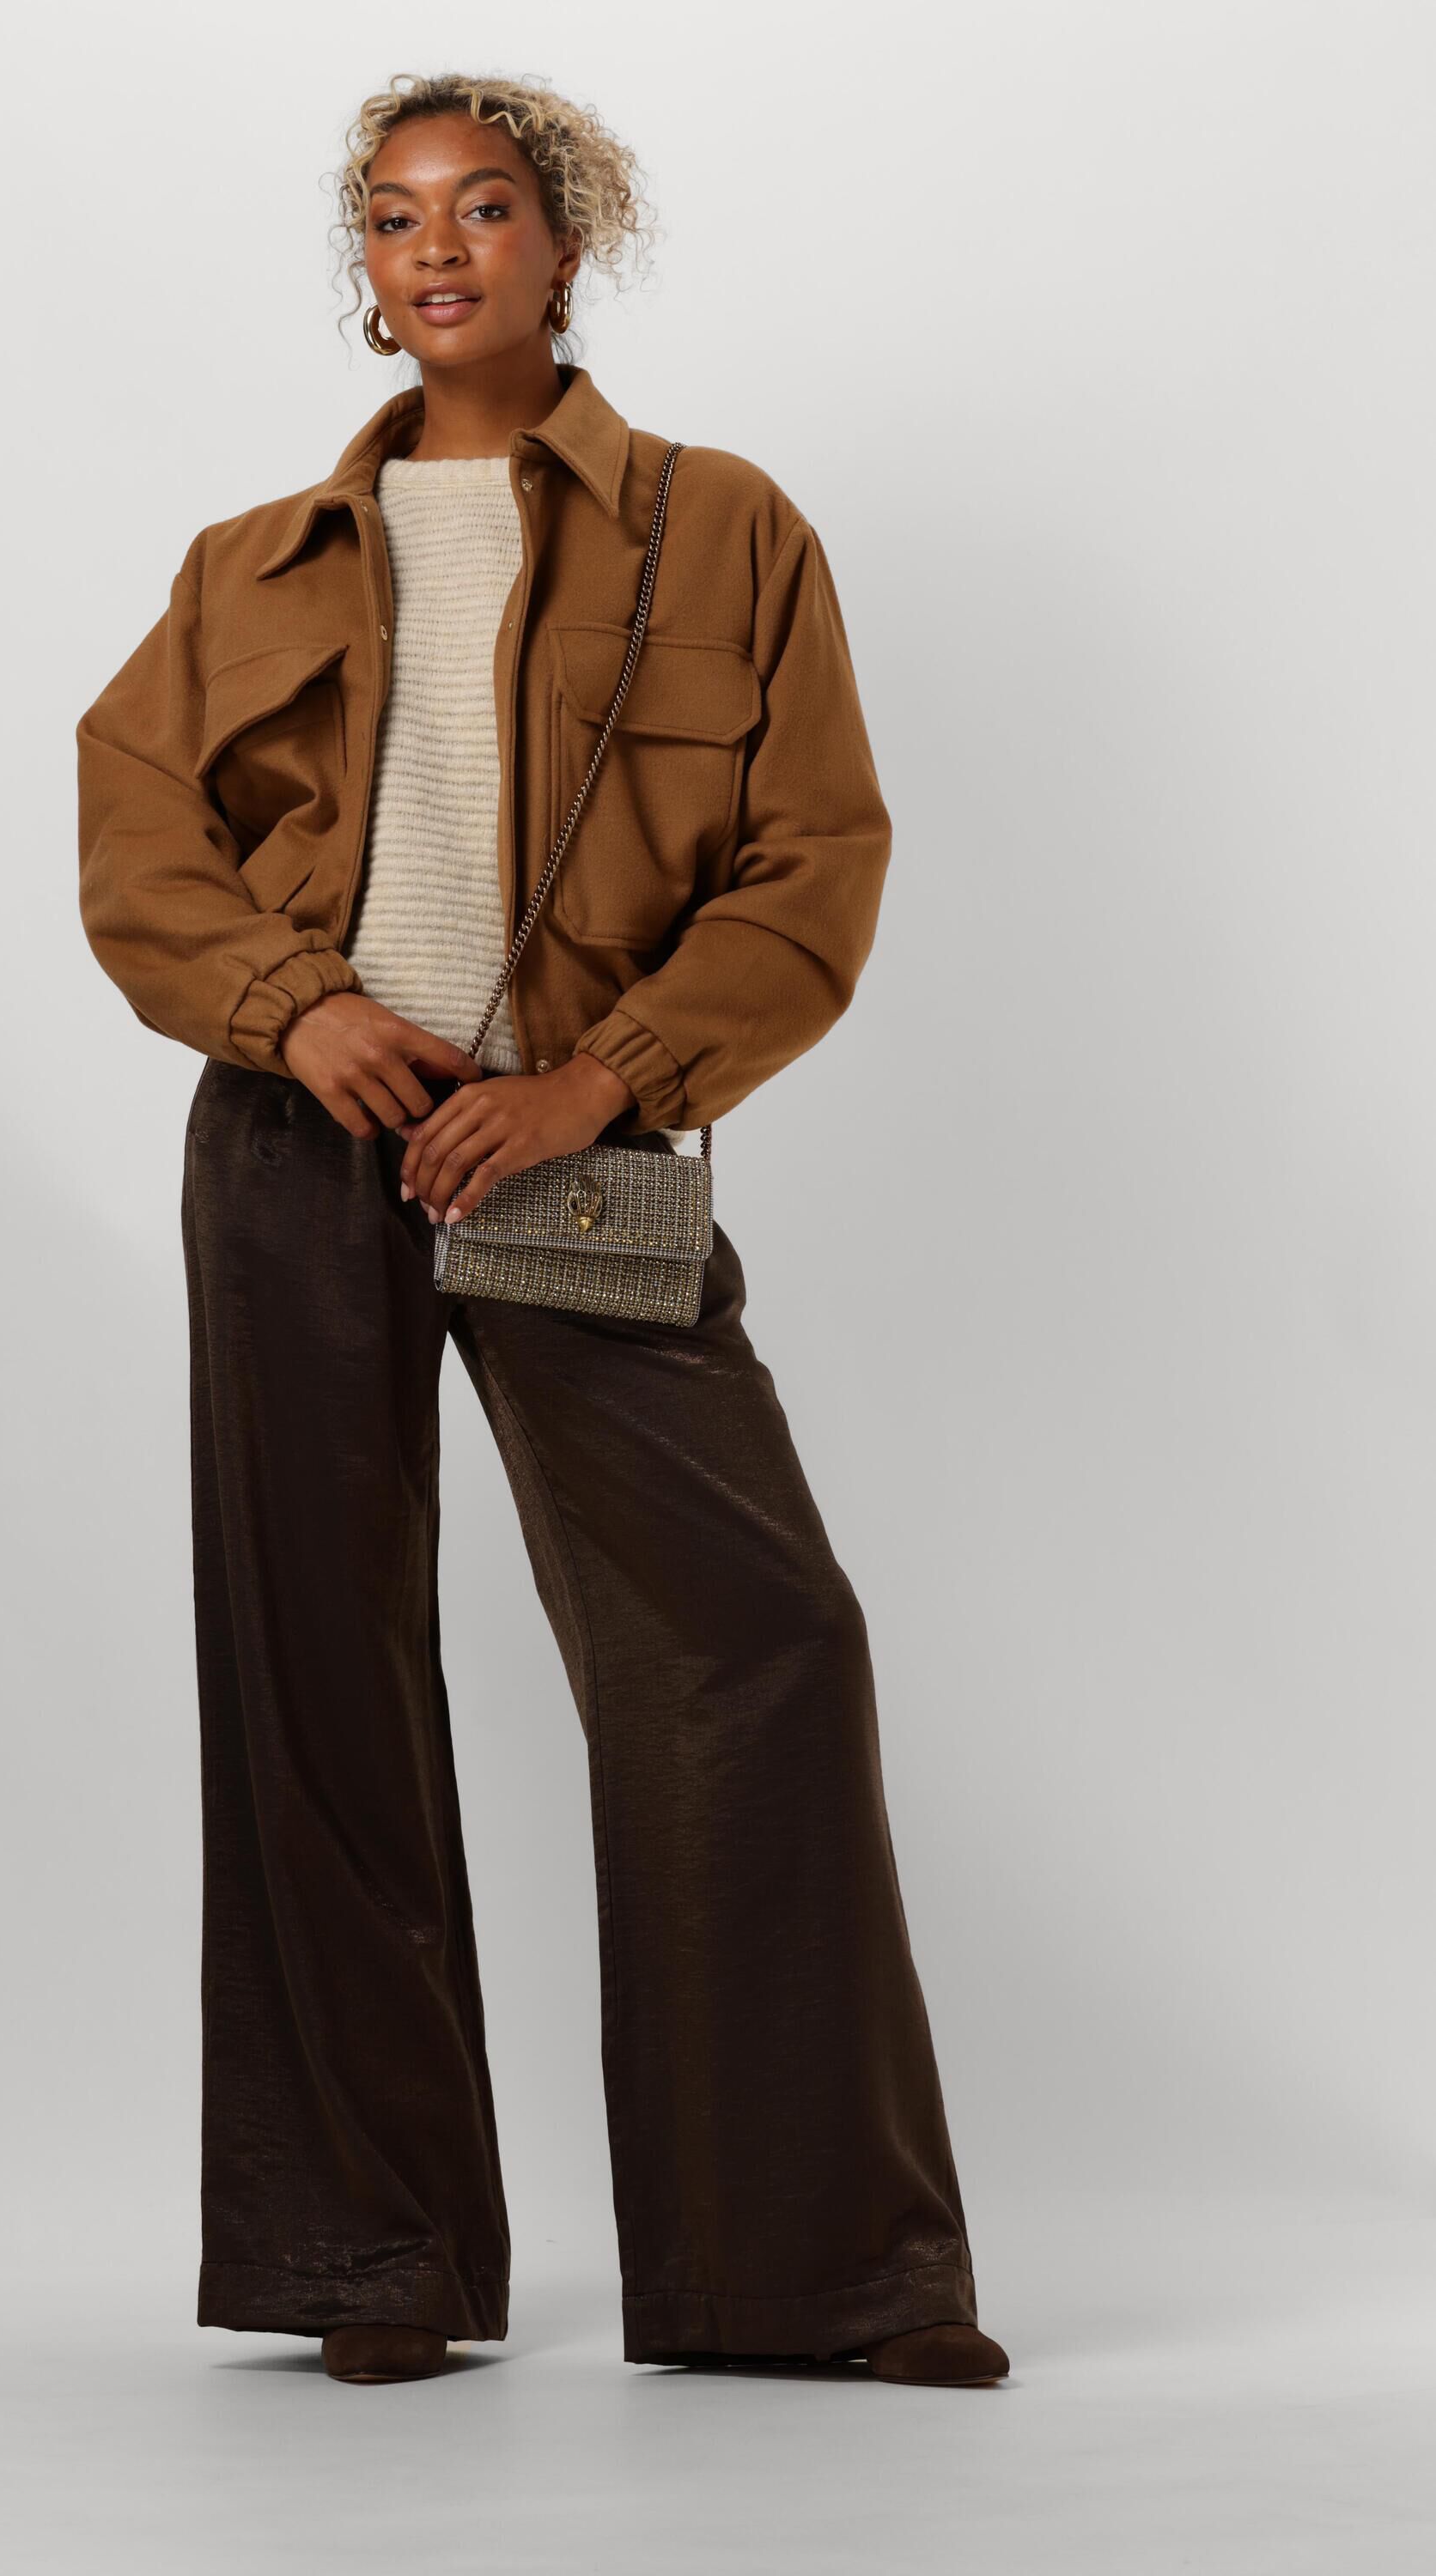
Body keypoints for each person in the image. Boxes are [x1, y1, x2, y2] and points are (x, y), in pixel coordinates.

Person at [76, 71, 1009, 2391]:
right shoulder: (248, 565)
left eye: (484, 207)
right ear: (364, 267)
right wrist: (296, 1013)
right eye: (395, 218)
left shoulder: (721, 528)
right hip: (299, 1144)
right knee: (317, 1674)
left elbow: (812, 861)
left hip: (571, 1141)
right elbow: (138, 838)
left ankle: (812, 2274)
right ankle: (367, 2257)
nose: (437, 248)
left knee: (751, 1640)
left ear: (566, 242)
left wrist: (603, 1079)